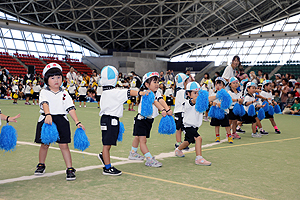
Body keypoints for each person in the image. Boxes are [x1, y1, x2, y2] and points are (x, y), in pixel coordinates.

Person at [34, 63, 85, 181]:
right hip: (47, 119)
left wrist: (77, 122)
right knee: (45, 144)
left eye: (58, 77)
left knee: (64, 145)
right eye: (52, 78)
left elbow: (70, 108)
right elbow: (44, 103)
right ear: (47, 80)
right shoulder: (44, 91)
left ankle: (70, 168)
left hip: (61, 119)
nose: (56, 80)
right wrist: (48, 115)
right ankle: (41, 164)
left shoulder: (65, 92)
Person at [97, 66, 149, 175]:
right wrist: (142, 93)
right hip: (110, 120)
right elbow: (129, 92)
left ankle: (103, 157)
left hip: (108, 120)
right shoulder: (115, 92)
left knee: (108, 143)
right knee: (107, 145)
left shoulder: (106, 92)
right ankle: (107, 168)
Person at [128, 72, 172, 167]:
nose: (157, 84)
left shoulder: (158, 92)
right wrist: (163, 110)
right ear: (147, 84)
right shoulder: (146, 93)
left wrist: (168, 109)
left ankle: (133, 152)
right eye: (154, 82)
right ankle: (149, 159)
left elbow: (161, 100)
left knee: (137, 137)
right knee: (143, 141)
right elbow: (155, 102)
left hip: (148, 120)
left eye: (157, 82)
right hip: (141, 120)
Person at [174, 82, 211, 166]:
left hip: (194, 126)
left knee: (187, 142)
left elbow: (207, 99)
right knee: (198, 138)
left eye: (198, 93)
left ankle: (178, 150)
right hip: (188, 126)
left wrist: (218, 96)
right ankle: (199, 158)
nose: (197, 95)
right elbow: (196, 100)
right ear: (188, 93)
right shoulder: (188, 103)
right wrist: (204, 97)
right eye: (195, 93)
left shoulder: (199, 102)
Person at [209, 77, 233, 143]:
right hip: (215, 113)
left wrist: (222, 105)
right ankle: (217, 136)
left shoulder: (226, 94)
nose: (218, 86)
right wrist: (212, 104)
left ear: (224, 86)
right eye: (216, 84)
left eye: (220, 85)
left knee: (227, 125)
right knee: (216, 125)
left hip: (224, 112)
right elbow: (210, 101)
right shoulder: (214, 94)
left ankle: (229, 136)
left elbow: (228, 103)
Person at [174, 73, 189, 149]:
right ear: (184, 83)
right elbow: (184, 102)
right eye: (187, 82)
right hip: (181, 112)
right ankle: (181, 143)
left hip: (178, 112)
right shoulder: (182, 92)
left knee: (179, 128)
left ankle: (179, 142)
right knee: (181, 128)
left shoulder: (179, 91)